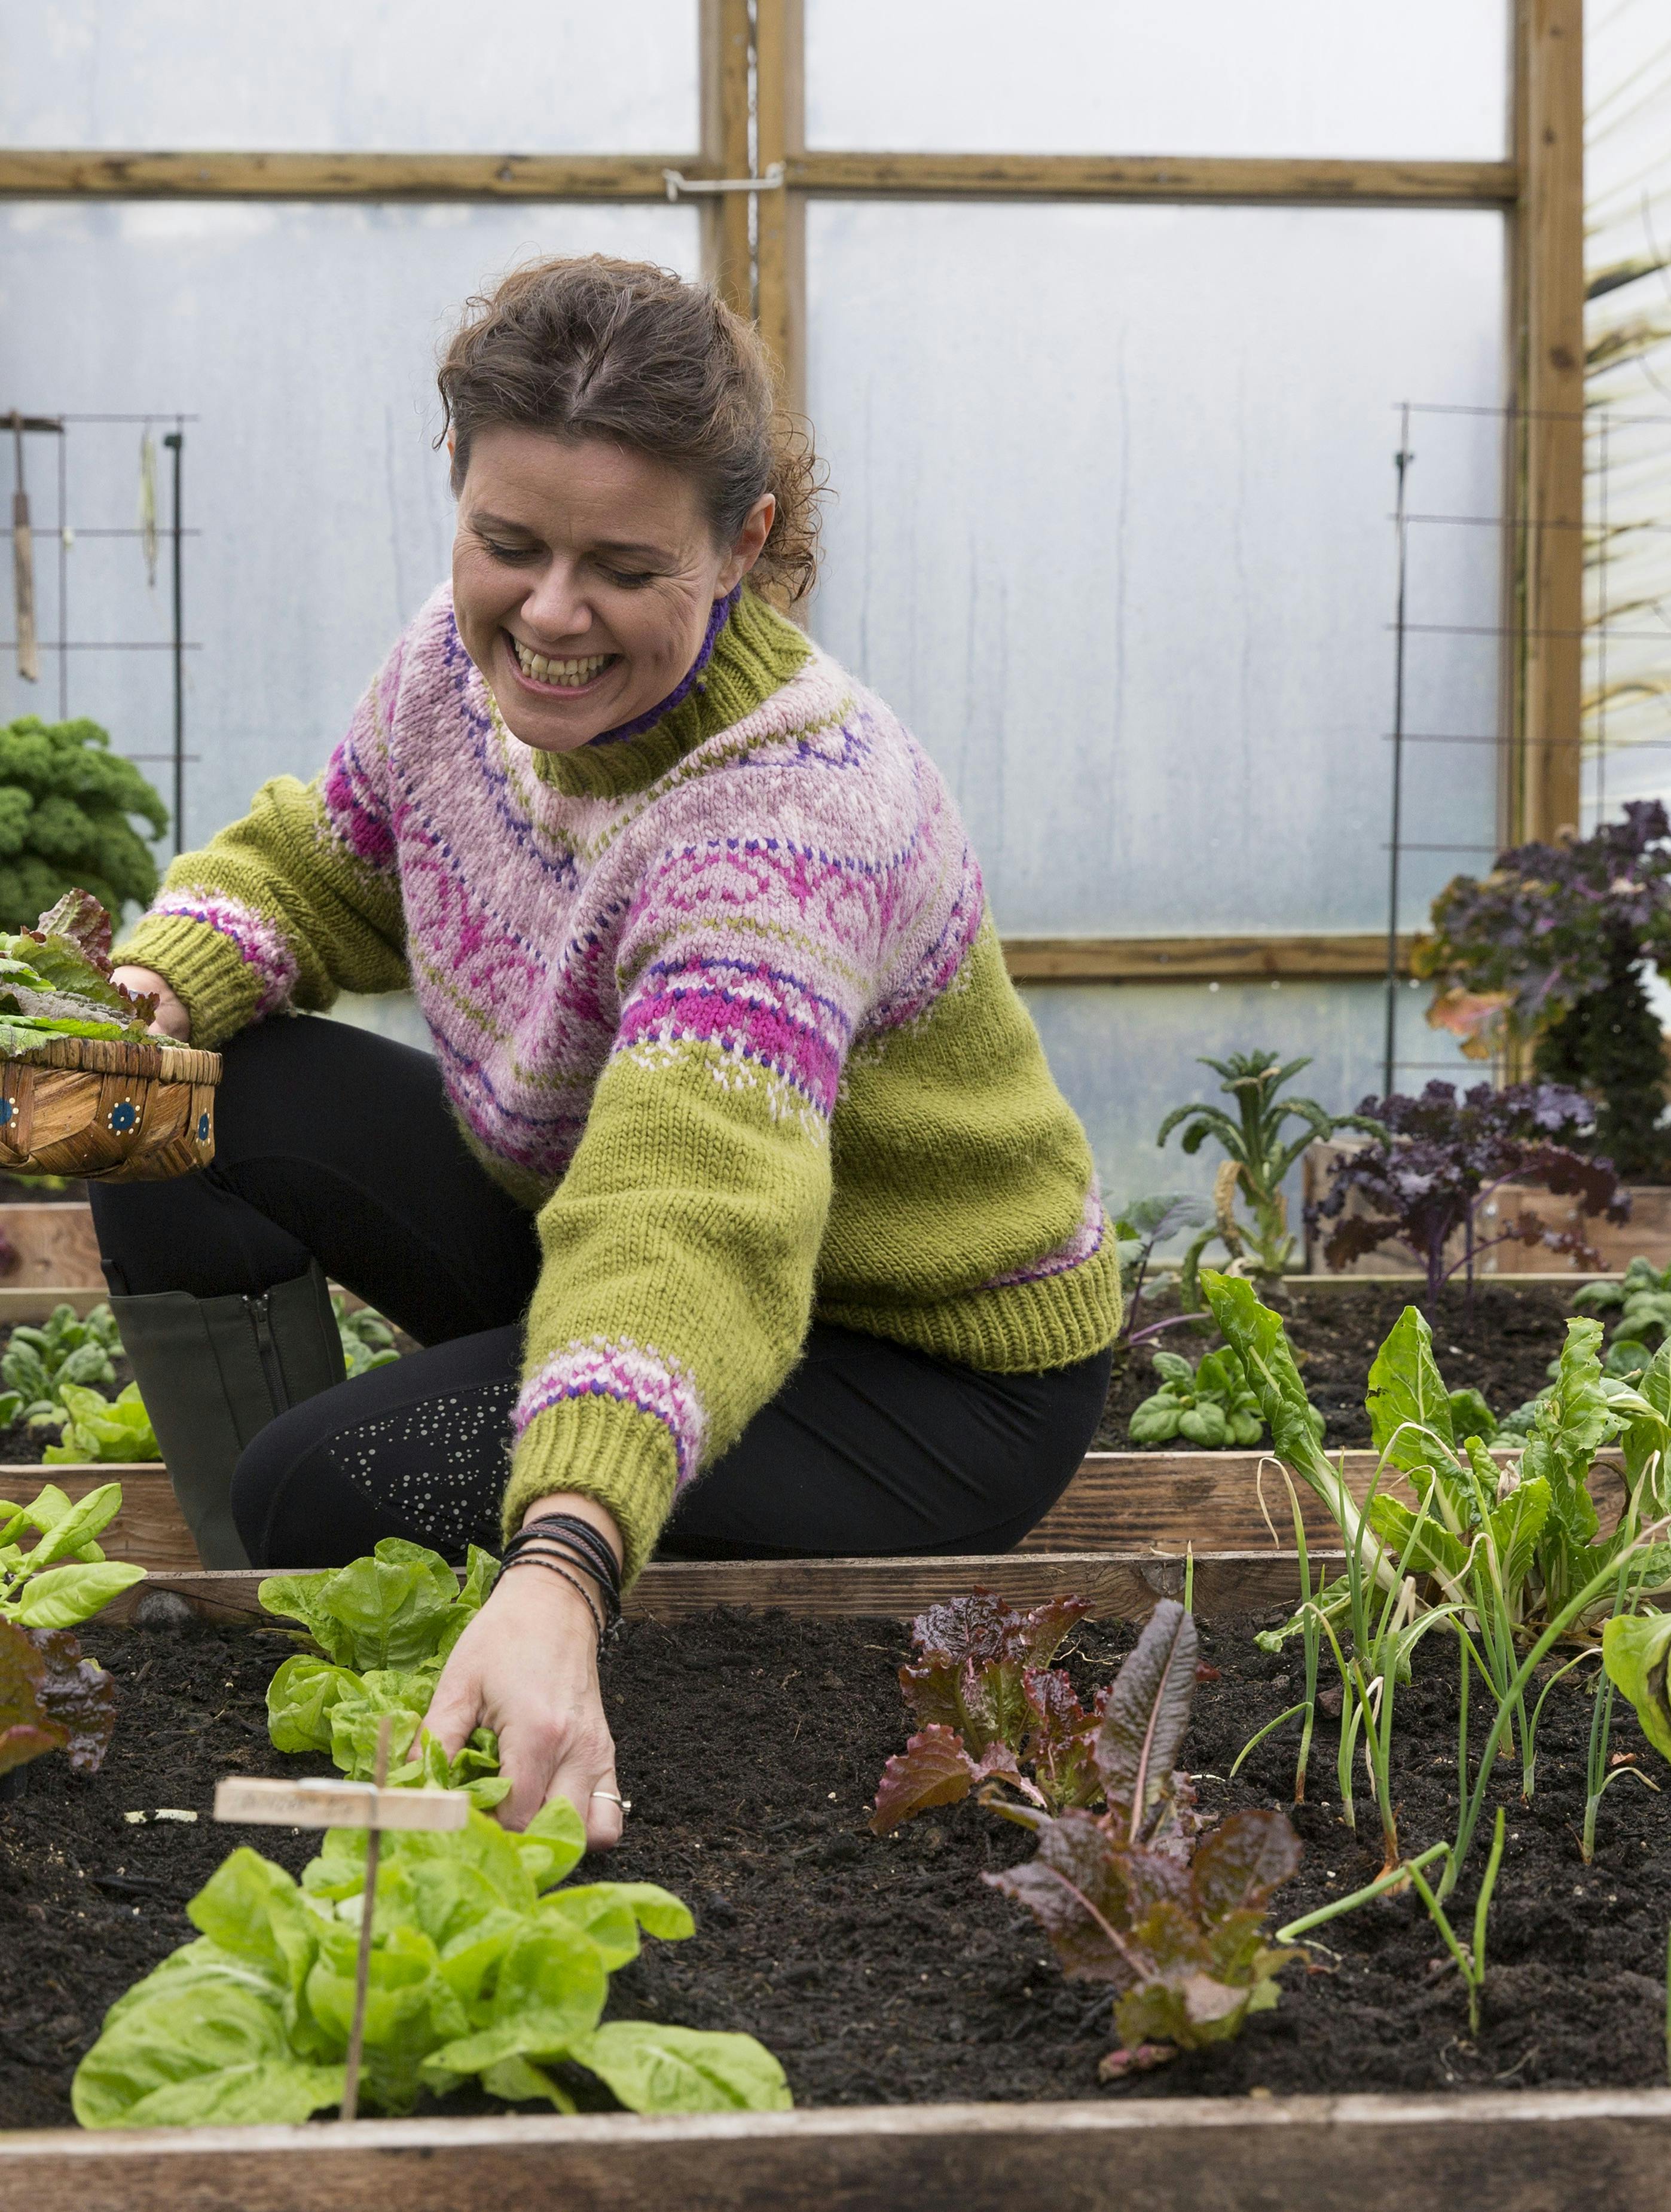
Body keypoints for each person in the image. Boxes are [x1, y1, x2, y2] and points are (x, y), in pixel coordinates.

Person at [94, 255, 1120, 1847]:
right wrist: (156, 982)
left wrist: (563, 1560)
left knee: (330, 1486)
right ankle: (294, 1627)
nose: (551, 613)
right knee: (154, 1102)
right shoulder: (459, 669)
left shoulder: (787, 820)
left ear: (745, 544)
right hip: (598, 1224)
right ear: (459, 482)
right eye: (510, 545)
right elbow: (334, 861)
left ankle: (449, 1633)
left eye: (623, 567)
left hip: (911, 1370)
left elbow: (689, 1216)